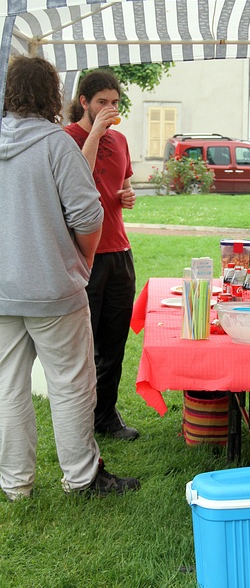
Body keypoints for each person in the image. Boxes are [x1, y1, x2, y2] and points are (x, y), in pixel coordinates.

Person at [0, 55, 140, 499]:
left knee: (8, 389)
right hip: (54, 289)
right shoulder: (58, 144)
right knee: (72, 384)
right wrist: (80, 261)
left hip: (5, 291)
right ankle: (81, 477)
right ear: (54, 95)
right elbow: (87, 216)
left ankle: (15, 484)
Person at [65, 71, 139, 441]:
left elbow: (123, 184)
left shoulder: (121, 140)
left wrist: (127, 195)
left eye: (114, 102)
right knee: (85, 346)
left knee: (113, 343)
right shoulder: (66, 139)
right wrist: (95, 132)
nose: (110, 109)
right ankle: (80, 422)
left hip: (120, 253)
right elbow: (78, 176)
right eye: (101, 102)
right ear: (84, 102)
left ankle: (106, 417)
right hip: (84, 256)